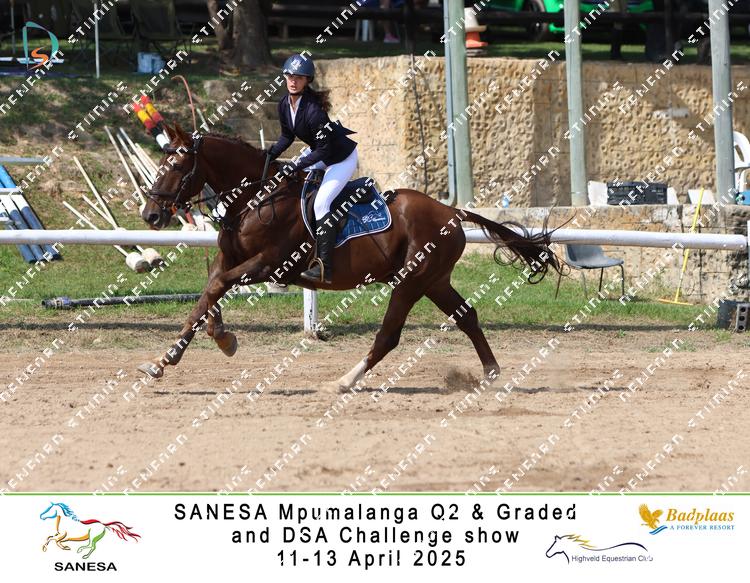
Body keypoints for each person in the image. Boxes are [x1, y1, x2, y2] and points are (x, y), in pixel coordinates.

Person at [265, 53, 358, 284]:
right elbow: (287, 137)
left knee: (321, 203)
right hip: (320, 153)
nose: (293, 81)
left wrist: (296, 164)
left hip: (341, 158)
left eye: (298, 77)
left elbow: (324, 151)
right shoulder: (284, 104)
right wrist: (268, 155)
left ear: (307, 80)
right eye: (289, 76)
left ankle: (324, 267)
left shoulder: (314, 111)